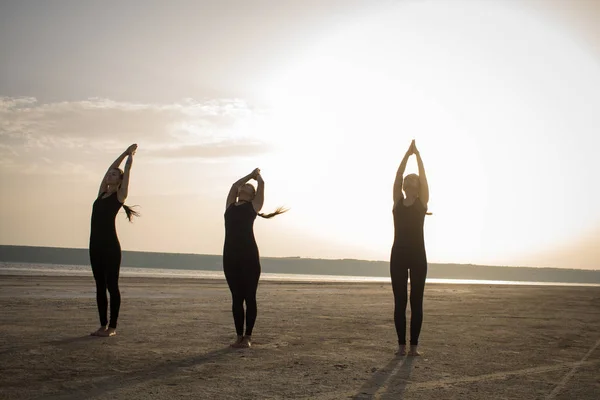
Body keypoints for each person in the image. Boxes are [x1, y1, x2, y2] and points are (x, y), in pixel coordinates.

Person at [223, 168, 287, 348]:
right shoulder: (230, 206)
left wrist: (256, 177)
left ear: (252, 196)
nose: (243, 188)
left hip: (249, 256)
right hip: (229, 256)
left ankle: (248, 337)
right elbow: (235, 185)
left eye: (248, 189)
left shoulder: (253, 207)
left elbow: (262, 184)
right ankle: (238, 337)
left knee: (249, 297)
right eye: (244, 187)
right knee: (236, 298)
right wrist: (249, 175)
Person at [89, 144, 139, 337]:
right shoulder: (101, 193)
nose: (109, 175)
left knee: (112, 286)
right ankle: (102, 325)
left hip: (110, 246)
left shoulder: (119, 196)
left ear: (119, 181)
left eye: (113, 175)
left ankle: (112, 327)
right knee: (99, 286)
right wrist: (123, 153)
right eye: (109, 174)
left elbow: (126, 171)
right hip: (94, 246)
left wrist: (130, 156)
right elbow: (110, 167)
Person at [391, 139, 430, 356]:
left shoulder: (422, 203)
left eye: (414, 180)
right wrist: (407, 155)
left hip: (418, 256)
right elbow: (397, 177)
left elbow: (424, 178)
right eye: (409, 179)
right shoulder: (397, 201)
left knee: (416, 301)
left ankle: (413, 346)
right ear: (405, 186)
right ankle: (401, 346)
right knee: (400, 301)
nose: (412, 181)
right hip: (398, 255)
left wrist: (419, 157)